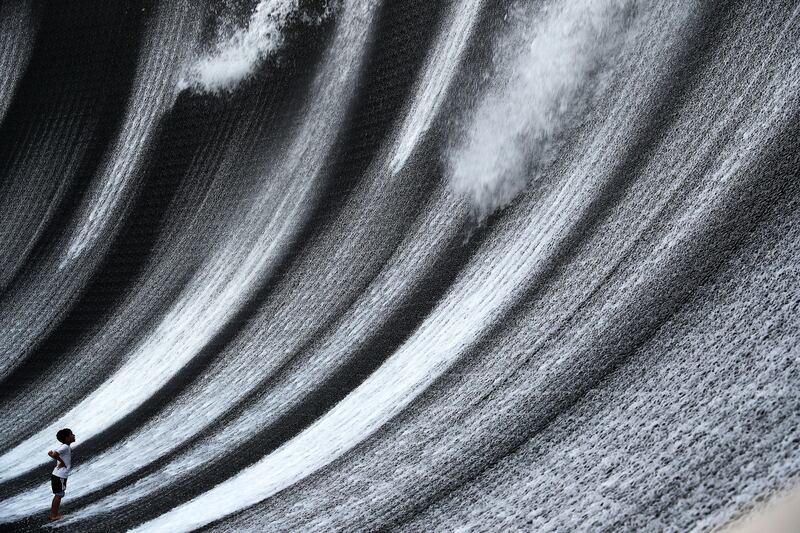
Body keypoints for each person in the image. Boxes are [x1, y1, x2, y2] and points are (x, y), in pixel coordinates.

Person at [47, 428, 76, 521]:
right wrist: (62, 462)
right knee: (59, 495)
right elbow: (54, 454)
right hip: (60, 476)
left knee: (58, 494)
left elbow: (51, 453)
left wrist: (59, 460)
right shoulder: (65, 447)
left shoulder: (64, 446)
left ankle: (54, 514)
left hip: (57, 475)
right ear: (67, 438)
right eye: (71, 434)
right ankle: (54, 515)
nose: (74, 435)